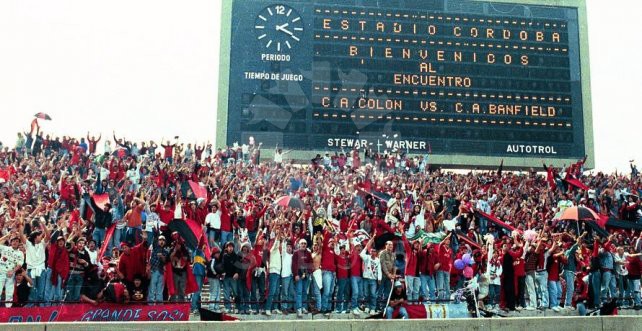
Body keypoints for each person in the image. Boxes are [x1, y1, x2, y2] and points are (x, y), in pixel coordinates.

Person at [0, 235, 25, 307]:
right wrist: (6, 236)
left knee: (9, 294)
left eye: (17, 241)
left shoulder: (20, 253)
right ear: (10, 242)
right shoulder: (5, 248)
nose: (15, 242)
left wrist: (13, 271)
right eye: (13, 241)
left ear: (19, 243)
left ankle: (8, 311)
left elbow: (20, 264)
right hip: (1, 272)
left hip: (11, 275)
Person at [293, 238, 313, 317]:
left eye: (305, 243)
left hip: (306, 275)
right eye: (302, 243)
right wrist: (295, 274)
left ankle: (304, 307)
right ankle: (299, 309)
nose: (303, 245)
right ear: (299, 244)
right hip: (299, 275)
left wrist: (309, 272)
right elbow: (294, 265)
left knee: (305, 292)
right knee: (299, 292)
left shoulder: (308, 253)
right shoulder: (296, 253)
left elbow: (311, 263)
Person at [148, 234, 170, 303]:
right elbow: (154, 237)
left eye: (163, 240)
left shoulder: (166, 251)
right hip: (154, 270)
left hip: (162, 271)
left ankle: (159, 305)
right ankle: (150, 304)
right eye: (160, 240)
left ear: (165, 242)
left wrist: (162, 257)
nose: (162, 241)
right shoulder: (154, 248)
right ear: (158, 241)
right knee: (152, 288)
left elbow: (165, 261)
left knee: (160, 289)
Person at [206, 246, 224, 312]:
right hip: (212, 278)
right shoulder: (213, 259)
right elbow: (211, 267)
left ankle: (216, 307)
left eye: (219, 253)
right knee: (214, 292)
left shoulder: (216, 260)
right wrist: (216, 274)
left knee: (218, 292)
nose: (218, 254)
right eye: (217, 253)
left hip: (215, 278)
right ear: (213, 254)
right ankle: (211, 307)